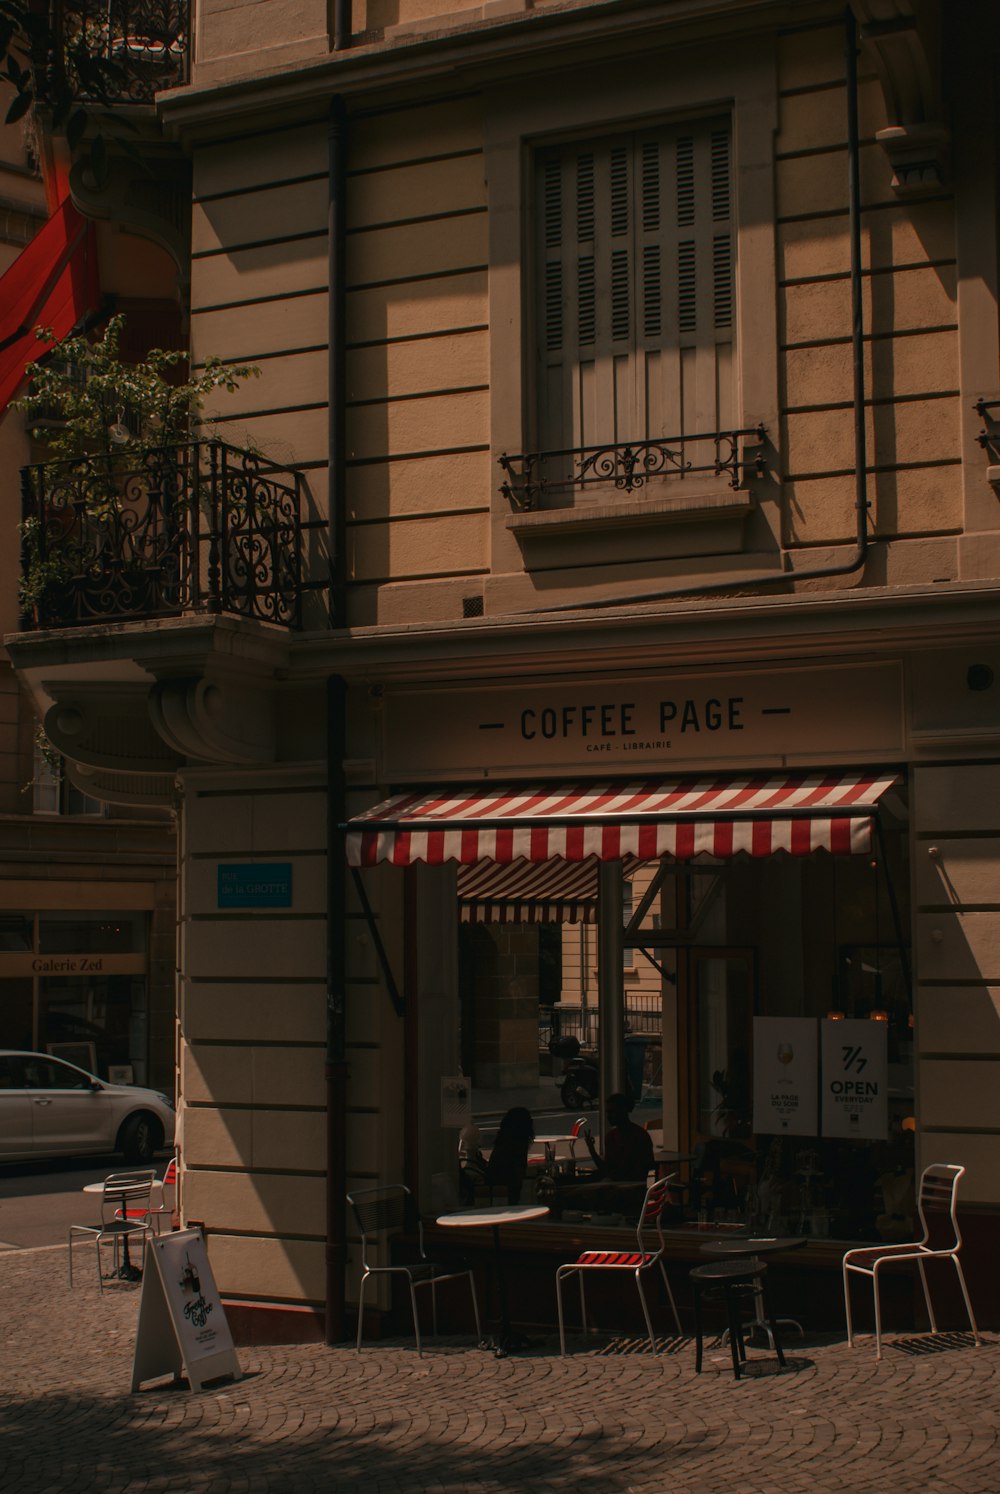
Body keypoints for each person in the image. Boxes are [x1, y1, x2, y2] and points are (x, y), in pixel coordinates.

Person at [582, 1092, 655, 1183]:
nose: (608, 1116)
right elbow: (607, 1169)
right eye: (608, 1112)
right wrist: (591, 1150)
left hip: (629, 1186)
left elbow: (639, 1170)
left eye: (612, 1112)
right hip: (619, 1184)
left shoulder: (638, 1136)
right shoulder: (612, 1137)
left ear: (623, 1110)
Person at [485, 1106, 535, 1205]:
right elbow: (519, 1170)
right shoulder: (518, 1144)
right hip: (507, 1187)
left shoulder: (504, 1141)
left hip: (496, 1186)